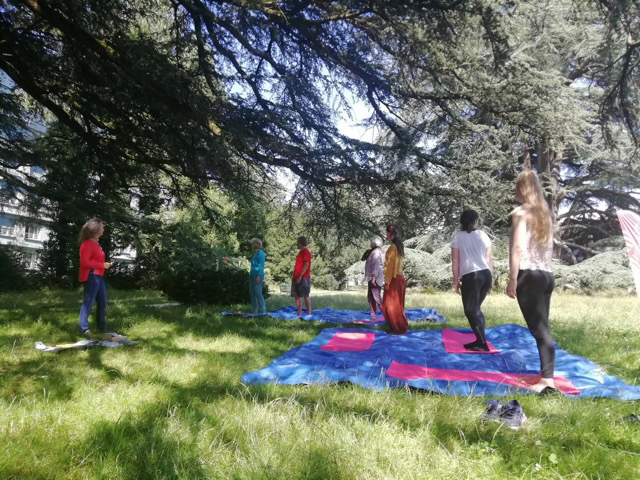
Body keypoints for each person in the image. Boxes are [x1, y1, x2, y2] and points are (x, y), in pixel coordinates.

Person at [506, 169, 556, 394]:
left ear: (521, 188)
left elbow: (517, 248)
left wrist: (512, 278)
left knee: (540, 331)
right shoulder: (545, 213)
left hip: (530, 276)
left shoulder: (520, 213)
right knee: (543, 329)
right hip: (547, 276)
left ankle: (547, 382)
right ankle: (546, 374)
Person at [451, 209, 493, 351]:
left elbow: (455, 261)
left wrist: (455, 281)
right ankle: (480, 340)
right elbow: (489, 259)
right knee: (475, 309)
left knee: (470, 311)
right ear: (475, 221)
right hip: (485, 274)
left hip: (472, 276)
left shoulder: (458, 237)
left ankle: (482, 343)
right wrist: (491, 278)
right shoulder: (483, 235)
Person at [77, 218, 112, 335]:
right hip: (91, 275)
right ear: (96, 229)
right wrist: (102, 265)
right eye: (102, 227)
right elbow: (84, 262)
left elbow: (94, 260)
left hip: (98, 276)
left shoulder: (96, 244)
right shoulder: (87, 243)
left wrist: (104, 265)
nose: (103, 229)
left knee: (102, 302)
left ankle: (101, 328)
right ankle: (83, 329)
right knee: (88, 302)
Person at [382, 224, 408, 334]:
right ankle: (400, 326)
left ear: (391, 234)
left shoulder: (393, 247)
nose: (386, 234)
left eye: (387, 232)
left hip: (394, 279)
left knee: (390, 306)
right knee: (398, 306)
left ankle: (396, 328)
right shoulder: (399, 246)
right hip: (400, 279)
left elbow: (390, 266)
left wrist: (387, 282)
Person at [363, 236, 384, 321]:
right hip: (372, 278)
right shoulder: (374, 251)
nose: (370, 244)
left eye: (371, 242)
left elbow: (376, 266)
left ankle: (387, 316)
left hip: (374, 279)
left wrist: (374, 278)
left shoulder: (376, 252)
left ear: (375, 243)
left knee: (377, 299)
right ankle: (373, 316)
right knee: (371, 299)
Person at [291, 236, 312, 317]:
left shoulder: (306, 252)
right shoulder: (300, 253)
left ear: (300, 243)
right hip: (296, 276)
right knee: (296, 295)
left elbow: (306, 265)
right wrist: (295, 275)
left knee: (305, 295)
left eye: (297, 243)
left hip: (304, 278)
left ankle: (309, 313)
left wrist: (300, 276)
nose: (297, 244)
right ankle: (299, 313)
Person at [249, 238, 267, 315]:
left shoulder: (261, 253)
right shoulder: (255, 254)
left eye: (255, 243)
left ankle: (263, 311)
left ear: (259, 244)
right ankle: (254, 311)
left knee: (258, 293)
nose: (253, 244)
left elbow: (261, 265)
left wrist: (259, 275)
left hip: (258, 275)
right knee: (252, 293)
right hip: (252, 275)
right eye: (252, 243)